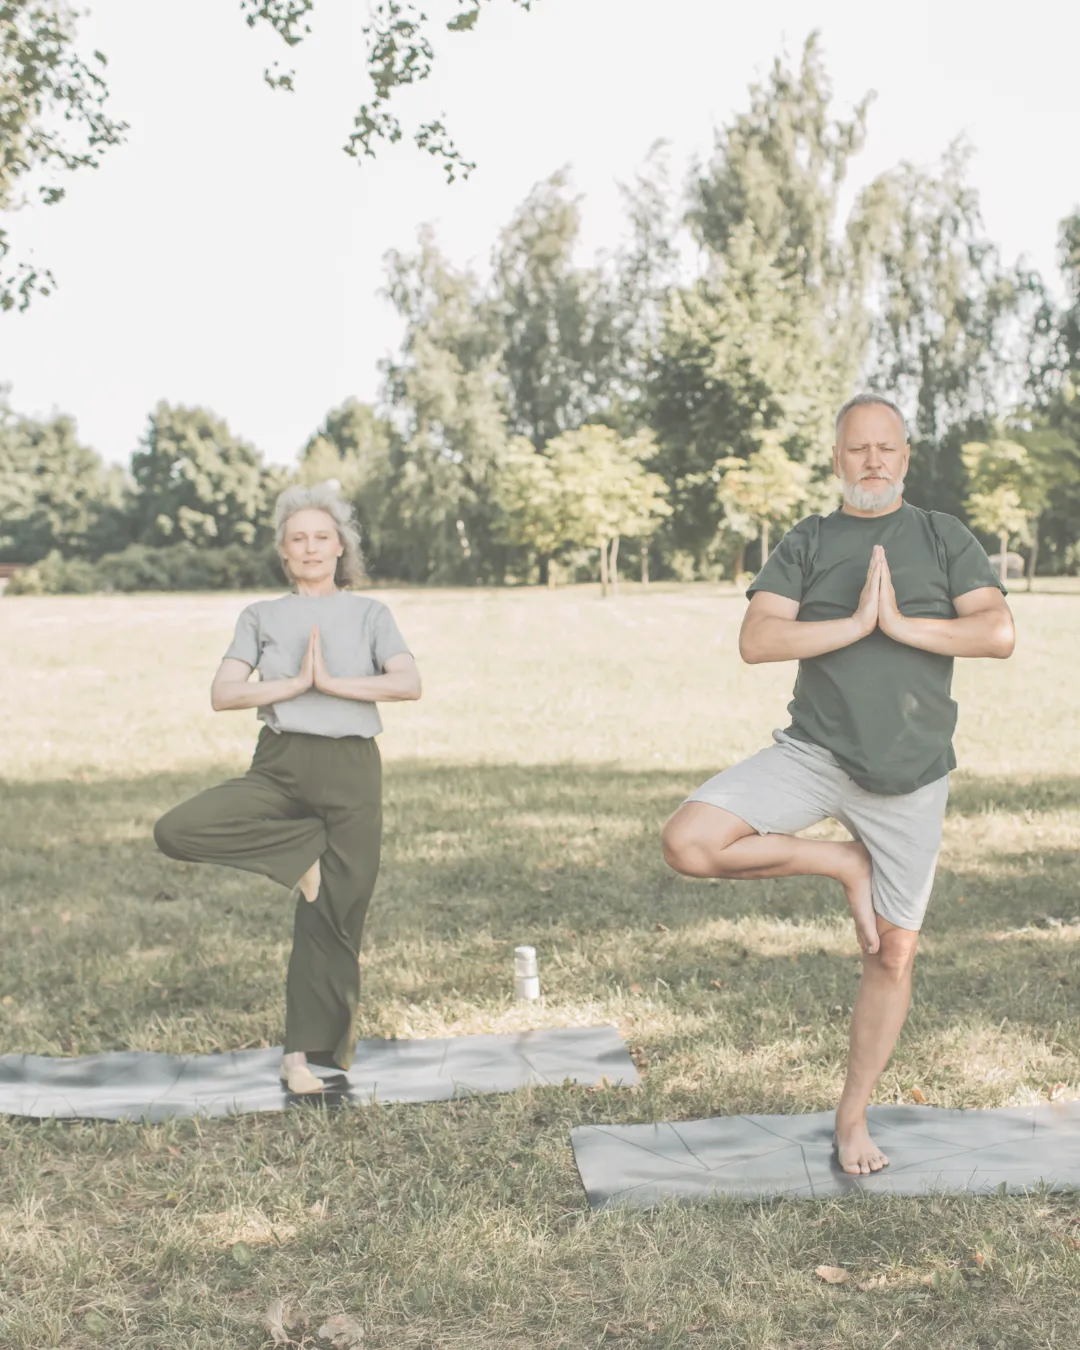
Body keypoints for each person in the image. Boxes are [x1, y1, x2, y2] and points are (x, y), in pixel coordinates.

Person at [661, 393, 1015, 1175]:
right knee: (688, 840)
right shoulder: (810, 540)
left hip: (911, 778)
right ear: (836, 459)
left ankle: (852, 1120)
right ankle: (842, 862)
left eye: (886, 448)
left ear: (906, 457)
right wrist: (853, 624)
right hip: (815, 755)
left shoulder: (940, 536)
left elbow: (996, 631)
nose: (873, 461)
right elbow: (758, 639)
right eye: (858, 449)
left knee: (892, 955)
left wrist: (900, 624)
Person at [153, 483, 421, 1095]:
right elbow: (224, 694)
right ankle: (298, 856)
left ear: (340, 547)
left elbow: (407, 683)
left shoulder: (370, 613)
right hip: (280, 766)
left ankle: (301, 1060)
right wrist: (294, 685)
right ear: (283, 551)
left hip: (353, 772)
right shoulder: (260, 616)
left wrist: (333, 681)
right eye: (297, 538)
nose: (310, 547)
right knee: (177, 828)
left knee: (334, 918)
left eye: (321, 537)